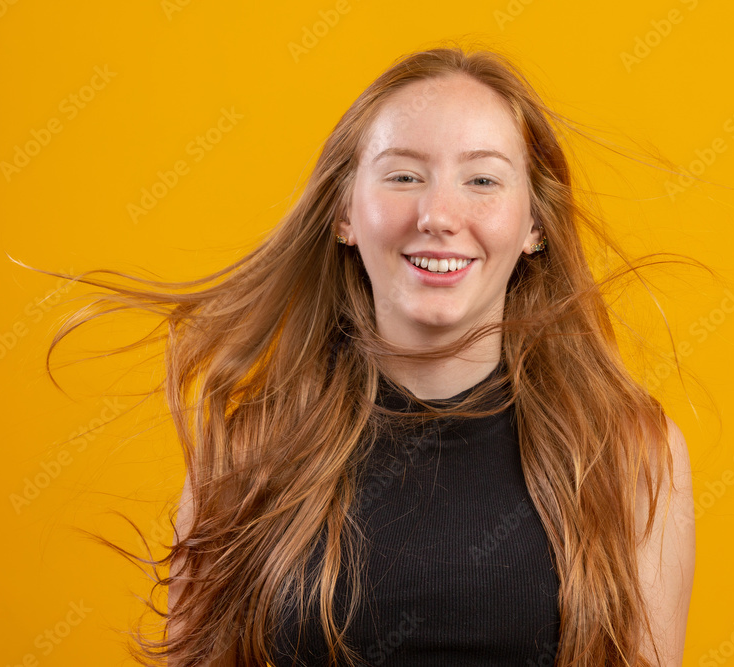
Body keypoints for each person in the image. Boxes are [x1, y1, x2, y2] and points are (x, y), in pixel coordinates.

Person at [39, 44, 696, 666]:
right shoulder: (247, 450)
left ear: (534, 225)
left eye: (483, 179)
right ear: (344, 213)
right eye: (404, 175)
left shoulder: (632, 452)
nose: (439, 213)